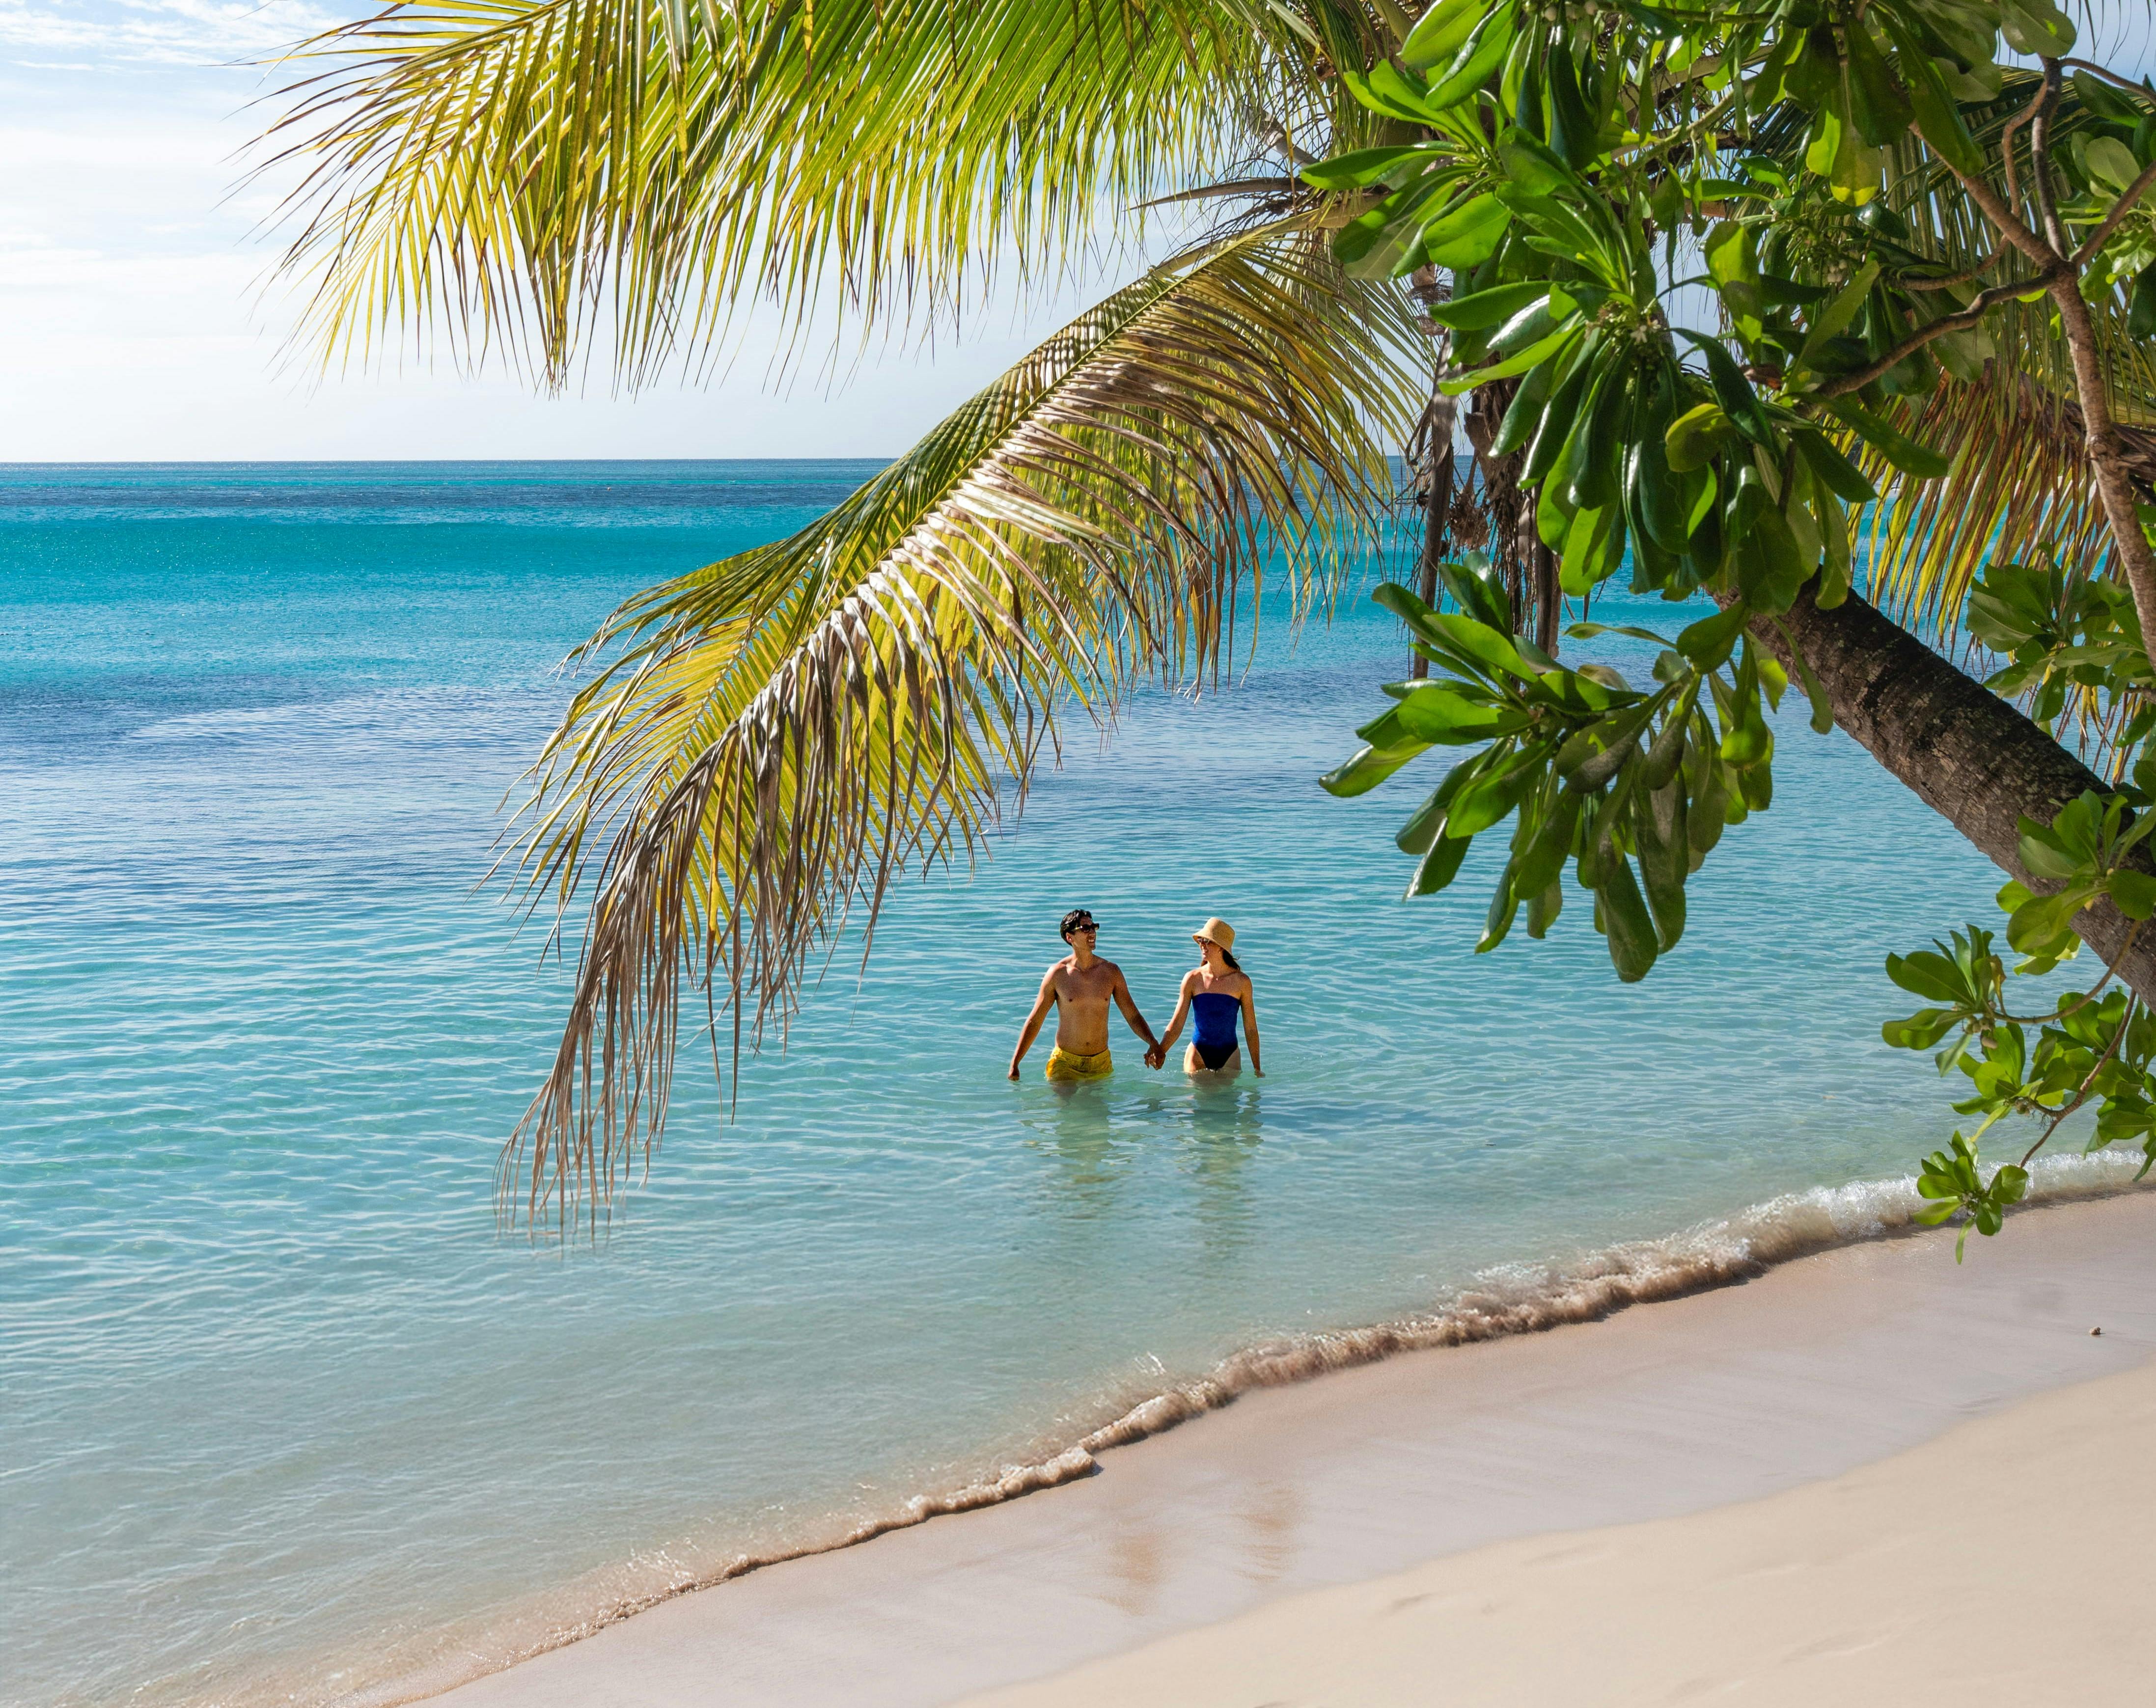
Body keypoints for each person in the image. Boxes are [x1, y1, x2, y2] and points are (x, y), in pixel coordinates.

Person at [1008, 908, 1163, 1082]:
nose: (1092, 933)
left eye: (1093, 927)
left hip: (1101, 1061)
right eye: (1085, 929)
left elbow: (1132, 1015)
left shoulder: (1111, 972)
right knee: (1066, 1108)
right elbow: (1035, 1020)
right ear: (1069, 937)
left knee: (1099, 1110)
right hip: (1065, 1062)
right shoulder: (1058, 974)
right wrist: (1016, 1062)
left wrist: (1153, 1043)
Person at [1147, 917, 1262, 1077]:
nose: (1202, 944)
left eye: (1208, 941)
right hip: (1198, 1054)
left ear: (1222, 947)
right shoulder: (1193, 979)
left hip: (1230, 1056)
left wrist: (1257, 1068)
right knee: (1200, 1101)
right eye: (1201, 940)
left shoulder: (1242, 982)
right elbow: (1178, 1022)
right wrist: (1161, 1051)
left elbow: (1250, 1029)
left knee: (1228, 1102)